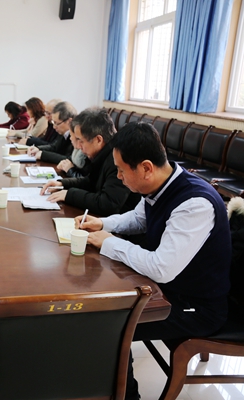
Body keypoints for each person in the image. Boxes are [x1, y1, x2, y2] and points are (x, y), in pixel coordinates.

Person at [77, 122, 231, 400]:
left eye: (122, 170)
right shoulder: (162, 183)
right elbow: (139, 218)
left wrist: (109, 242)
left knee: (110, 325)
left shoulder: (195, 203)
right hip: (170, 290)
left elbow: (161, 269)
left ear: (146, 168)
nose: (119, 176)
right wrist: (103, 223)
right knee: (101, 307)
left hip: (197, 306)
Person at [39, 107, 140, 217]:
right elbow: (90, 181)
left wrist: (69, 195)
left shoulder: (118, 158)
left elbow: (108, 204)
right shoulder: (103, 153)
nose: (78, 146)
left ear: (98, 140)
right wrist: (62, 184)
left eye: (81, 141)